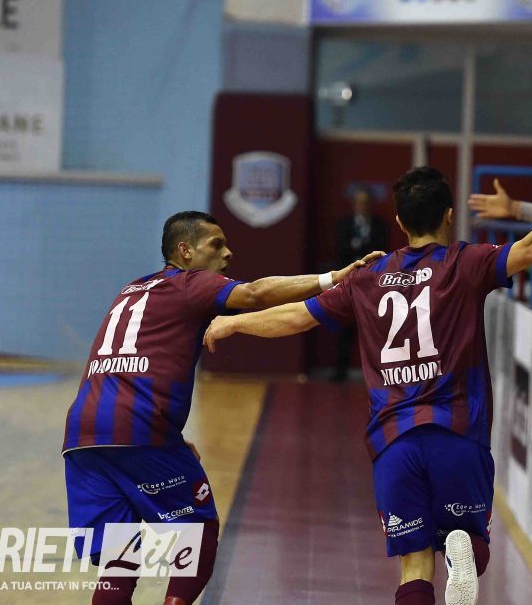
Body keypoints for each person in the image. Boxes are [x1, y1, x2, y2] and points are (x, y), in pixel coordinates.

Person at [202, 156, 532, 605]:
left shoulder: (366, 277)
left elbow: (297, 317)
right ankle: (460, 548)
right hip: (458, 434)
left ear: (398, 222)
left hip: (394, 440)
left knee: (413, 566)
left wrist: (234, 323)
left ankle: (448, 556)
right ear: (449, 215)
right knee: (471, 547)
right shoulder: (466, 263)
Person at [62, 211, 381, 605]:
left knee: (119, 559)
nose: (228, 253)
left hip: (82, 437)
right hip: (138, 427)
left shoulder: (132, 289)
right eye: (216, 244)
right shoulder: (189, 283)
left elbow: (132, 367)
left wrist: (169, 436)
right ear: (185, 250)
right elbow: (256, 294)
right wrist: (334, 278)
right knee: (199, 533)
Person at [335, 188, 389, 381]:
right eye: (359, 202)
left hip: (372, 282)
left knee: (374, 327)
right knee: (344, 327)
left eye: (365, 202)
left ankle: (379, 373)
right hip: (347, 281)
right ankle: (340, 372)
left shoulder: (380, 225)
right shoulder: (344, 224)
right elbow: (341, 249)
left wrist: (359, 247)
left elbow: (381, 249)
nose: (362, 206)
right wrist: (360, 249)